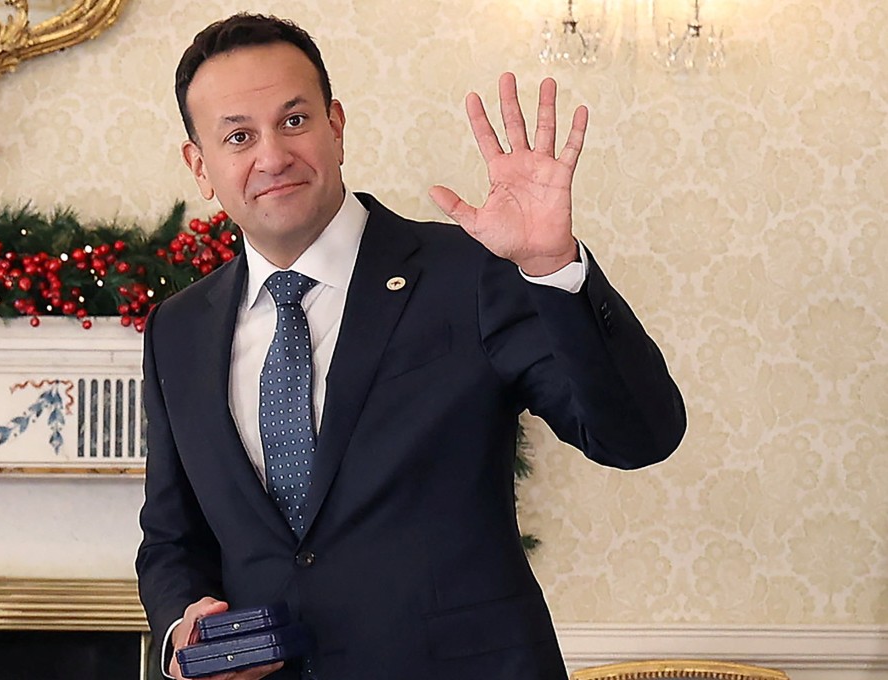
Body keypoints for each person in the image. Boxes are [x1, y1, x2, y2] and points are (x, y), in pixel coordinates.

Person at [136, 12, 685, 680]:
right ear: (201, 165)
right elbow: (172, 539)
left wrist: (553, 268)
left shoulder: (471, 272)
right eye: (238, 136)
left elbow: (638, 436)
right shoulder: (177, 329)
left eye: (294, 121)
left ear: (336, 126)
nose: (272, 156)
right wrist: (181, 630)